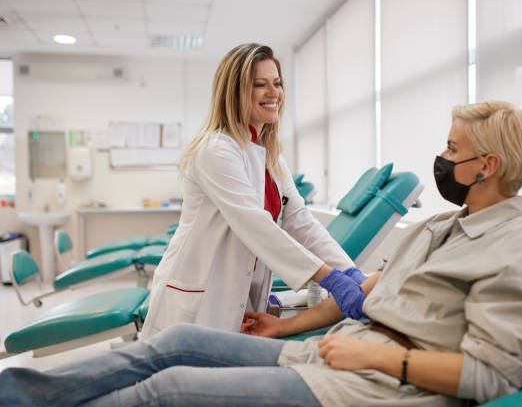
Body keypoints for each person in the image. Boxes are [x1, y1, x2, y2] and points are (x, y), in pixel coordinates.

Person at [0, 101, 522, 407]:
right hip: (341, 355)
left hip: (380, 386)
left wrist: (372, 357)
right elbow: (373, 287)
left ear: (488, 166)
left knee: (167, 389)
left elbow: (491, 376)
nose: (441, 158)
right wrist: (290, 324)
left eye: (451, 149)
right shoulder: (444, 226)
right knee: (173, 345)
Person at [141, 43, 364, 339]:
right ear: (234, 92)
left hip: (238, 292)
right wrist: (331, 279)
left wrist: (350, 273)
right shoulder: (216, 150)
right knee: (183, 379)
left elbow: (301, 222)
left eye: (277, 83)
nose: (273, 93)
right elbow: (257, 226)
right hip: (199, 294)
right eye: (260, 84)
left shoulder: (270, 156)